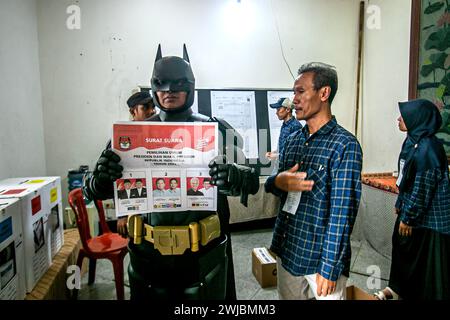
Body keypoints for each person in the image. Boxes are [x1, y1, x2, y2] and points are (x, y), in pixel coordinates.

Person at [83, 44, 259, 300]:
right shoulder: (130, 136)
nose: (169, 91)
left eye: (178, 84)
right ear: (153, 87)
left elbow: (252, 179)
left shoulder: (215, 130)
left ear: (190, 85)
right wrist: (100, 179)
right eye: (162, 84)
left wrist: (234, 176)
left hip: (203, 255)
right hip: (148, 255)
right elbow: (91, 188)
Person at [264, 62, 363, 300]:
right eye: (293, 92)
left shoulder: (345, 146)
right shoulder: (293, 140)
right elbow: (275, 188)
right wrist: (278, 181)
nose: (294, 99)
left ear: (324, 93)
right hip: (289, 250)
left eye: (300, 91)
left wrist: (329, 268)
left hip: (321, 260)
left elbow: (341, 214)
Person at [374, 99, 450, 300]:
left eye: (404, 116)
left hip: (428, 221)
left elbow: (422, 190)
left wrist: (408, 217)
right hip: (411, 209)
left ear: (417, 119)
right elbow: (404, 176)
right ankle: (397, 288)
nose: (399, 119)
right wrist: (400, 205)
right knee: (401, 246)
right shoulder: (412, 141)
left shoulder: (429, 149)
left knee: (424, 262)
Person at [117, 92, 156, 236]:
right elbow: (115, 178)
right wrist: (121, 214)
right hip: (133, 208)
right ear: (133, 111)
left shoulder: (158, 135)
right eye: (145, 107)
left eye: (153, 107)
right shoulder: (120, 137)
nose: (151, 111)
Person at [265, 97, 302, 163]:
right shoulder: (285, 125)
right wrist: (274, 152)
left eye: (278, 109)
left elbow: (294, 152)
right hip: (282, 163)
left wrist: (276, 156)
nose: (276, 113)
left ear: (288, 109)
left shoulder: (295, 126)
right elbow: (285, 146)